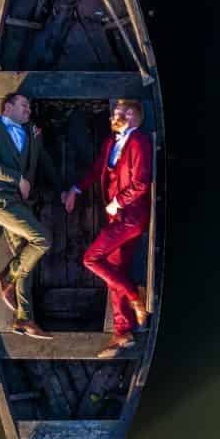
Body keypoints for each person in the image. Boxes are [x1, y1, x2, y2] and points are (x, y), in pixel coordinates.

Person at [63, 97, 153, 356]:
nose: (115, 113)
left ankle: (135, 297)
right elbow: (96, 170)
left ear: (134, 117)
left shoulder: (139, 141)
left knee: (90, 258)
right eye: (115, 110)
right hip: (117, 218)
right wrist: (76, 189)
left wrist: (116, 202)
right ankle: (122, 332)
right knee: (114, 270)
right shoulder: (111, 142)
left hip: (130, 217)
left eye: (122, 111)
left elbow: (141, 183)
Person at [0, 91, 55, 340]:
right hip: (1, 203)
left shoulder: (30, 133)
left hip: (21, 204)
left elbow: (39, 162)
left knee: (25, 259)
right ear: (7, 108)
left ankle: (24, 318)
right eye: (23, 105)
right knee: (43, 240)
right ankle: (7, 277)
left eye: (29, 106)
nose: (28, 109)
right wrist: (17, 178)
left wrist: (62, 188)